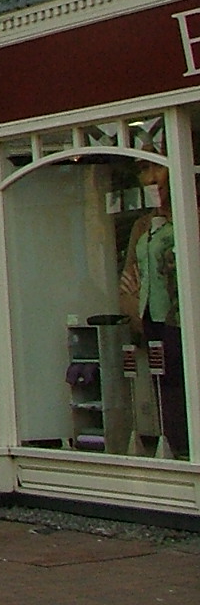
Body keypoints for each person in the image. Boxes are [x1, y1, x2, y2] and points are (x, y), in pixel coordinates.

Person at [119, 161, 188, 457]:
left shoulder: (188, 218)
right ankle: (175, 446)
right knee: (165, 381)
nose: (151, 179)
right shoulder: (143, 225)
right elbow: (129, 276)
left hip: (184, 315)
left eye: (157, 169)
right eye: (144, 171)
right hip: (153, 317)